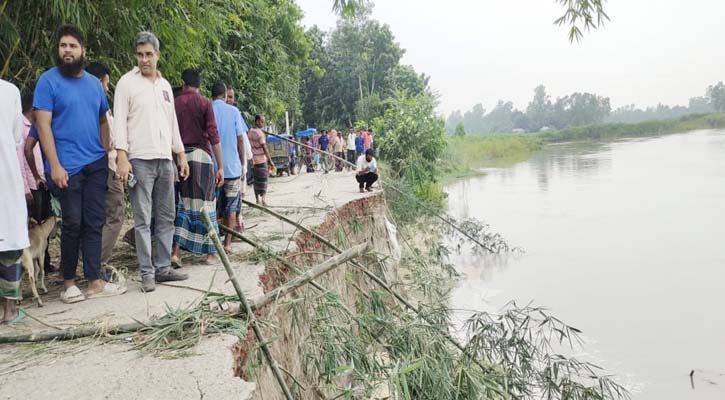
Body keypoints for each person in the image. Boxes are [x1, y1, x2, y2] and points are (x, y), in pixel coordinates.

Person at [34, 24, 126, 303]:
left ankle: (95, 280)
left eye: (73, 46)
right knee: (73, 222)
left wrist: (105, 147)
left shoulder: (93, 85)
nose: (67, 51)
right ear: (58, 50)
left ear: (83, 50)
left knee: (94, 222)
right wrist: (55, 165)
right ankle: (69, 283)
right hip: (67, 167)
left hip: (95, 163)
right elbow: (43, 125)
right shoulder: (47, 82)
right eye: (63, 46)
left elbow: (102, 118)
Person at [114, 31, 190, 292]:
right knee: (143, 218)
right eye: (140, 55)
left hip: (164, 160)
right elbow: (120, 122)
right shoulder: (126, 83)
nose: (144, 59)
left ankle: (163, 268)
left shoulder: (166, 86)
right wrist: (121, 156)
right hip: (140, 161)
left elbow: (172, 124)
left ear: (157, 55)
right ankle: (147, 273)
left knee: (167, 216)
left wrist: (180, 154)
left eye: (148, 54)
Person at [170, 69, 223, 265]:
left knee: (184, 204)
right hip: (201, 157)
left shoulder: (174, 104)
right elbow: (213, 135)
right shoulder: (204, 103)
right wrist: (221, 167)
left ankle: (176, 252)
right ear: (199, 85)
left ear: (183, 84)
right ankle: (210, 253)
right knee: (206, 204)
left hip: (180, 157)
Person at [84, 62, 124, 269]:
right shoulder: (98, 106)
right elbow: (108, 140)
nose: (107, 88)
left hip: (95, 166)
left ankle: (91, 260)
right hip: (106, 165)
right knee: (116, 213)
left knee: (95, 215)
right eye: (106, 83)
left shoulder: (82, 104)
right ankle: (97, 263)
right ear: (99, 82)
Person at [0, 79, 29, 323]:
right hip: (5, 175)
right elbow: (16, 136)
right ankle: (9, 310)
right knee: (9, 242)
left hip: (6, 178)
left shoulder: (10, 91)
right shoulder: (9, 91)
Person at [211, 82, 248, 251]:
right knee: (232, 206)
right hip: (232, 168)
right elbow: (241, 139)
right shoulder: (234, 112)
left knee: (213, 206)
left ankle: (213, 244)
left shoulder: (207, 109)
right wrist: (242, 163)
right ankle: (227, 244)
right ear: (225, 95)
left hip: (212, 168)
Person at [247, 115, 274, 205]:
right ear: (257, 121)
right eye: (262, 121)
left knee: (256, 181)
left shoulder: (250, 131)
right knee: (264, 180)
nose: (263, 123)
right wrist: (270, 160)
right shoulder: (260, 133)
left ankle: (257, 199)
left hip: (253, 160)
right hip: (261, 160)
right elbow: (264, 147)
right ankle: (263, 199)